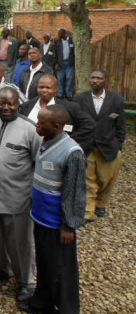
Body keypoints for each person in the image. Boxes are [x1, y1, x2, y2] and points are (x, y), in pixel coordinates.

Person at [18, 105, 87, 314]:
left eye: (41, 123)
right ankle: (43, 302)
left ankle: (66, 313)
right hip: (40, 218)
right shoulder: (45, 141)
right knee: (45, 264)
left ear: (56, 127)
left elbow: (75, 193)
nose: (36, 125)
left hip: (58, 225)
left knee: (63, 270)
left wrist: (69, 226)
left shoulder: (72, 152)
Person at [0, 87, 42, 302]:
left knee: (20, 243)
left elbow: (40, 164)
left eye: (10, 103)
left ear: (19, 104)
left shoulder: (30, 129)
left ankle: (26, 282)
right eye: (1, 103)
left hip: (18, 199)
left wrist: (34, 196)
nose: (5, 107)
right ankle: (2, 269)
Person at [73, 70, 126, 222]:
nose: (95, 80)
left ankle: (100, 204)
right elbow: (75, 122)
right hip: (86, 146)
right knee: (88, 180)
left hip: (109, 147)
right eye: (93, 77)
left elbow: (120, 125)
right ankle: (88, 211)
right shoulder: (79, 98)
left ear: (105, 81)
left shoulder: (116, 100)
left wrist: (118, 144)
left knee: (106, 179)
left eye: (99, 78)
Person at [19, 75, 96, 155]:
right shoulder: (26, 106)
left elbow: (89, 125)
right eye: (41, 87)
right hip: (28, 154)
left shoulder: (70, 107)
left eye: (48, 88)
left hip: (58, 154)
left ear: (56, 89)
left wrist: (68, 140)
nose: (44, 90)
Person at [54, 28, 76, 100]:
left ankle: (68, 94)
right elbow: (55, 53)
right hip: (61, 63)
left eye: (60, 33)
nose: (58, 35)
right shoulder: (57, 41)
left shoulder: (72, 40)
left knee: (69, 78)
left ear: (64, 34)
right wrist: (56, 63)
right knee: (60, 79)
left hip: (70, 63)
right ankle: (60, 94)